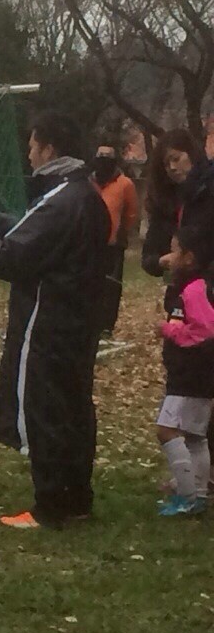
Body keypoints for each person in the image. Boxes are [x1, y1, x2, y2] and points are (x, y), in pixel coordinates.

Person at [0, 111, 111, 529]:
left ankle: (51, 506)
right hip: (77, 324)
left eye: (32, 143)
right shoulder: (84, 194)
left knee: (47, 409)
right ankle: (76, 499)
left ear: (49, 148)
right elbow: (43, 237)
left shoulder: (62, 200)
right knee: (74, 408)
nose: (28, 152)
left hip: (50, 324)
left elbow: (13, 257)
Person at [153, 226, 214, 517]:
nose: (168, 257)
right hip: (200, 373)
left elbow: (204, 332)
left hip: (191, 372)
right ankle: (198, 495)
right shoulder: (196, 286)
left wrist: (168, 330)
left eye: (175, 250)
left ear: (189, 257)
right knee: (194, 435)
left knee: (166, 430)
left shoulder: (195, 289)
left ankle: (188, 496)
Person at [142, 129, 212, 278]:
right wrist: (161, 261)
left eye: (176, 159)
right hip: (179, 286)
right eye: (166, 164)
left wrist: (190, 254)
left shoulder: (209, 190)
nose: (172, 168)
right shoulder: (164, 201)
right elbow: (149, 254)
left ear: (191, 155)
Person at [92, 141, 138, 336]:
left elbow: (132, 213)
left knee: (111, 286)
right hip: (90, 243)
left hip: (114, 245)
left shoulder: (125, 184)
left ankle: (107, 326)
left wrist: (120, 233)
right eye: (100, 157)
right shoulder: (89, 181)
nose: (103, 162)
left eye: (107, 158)